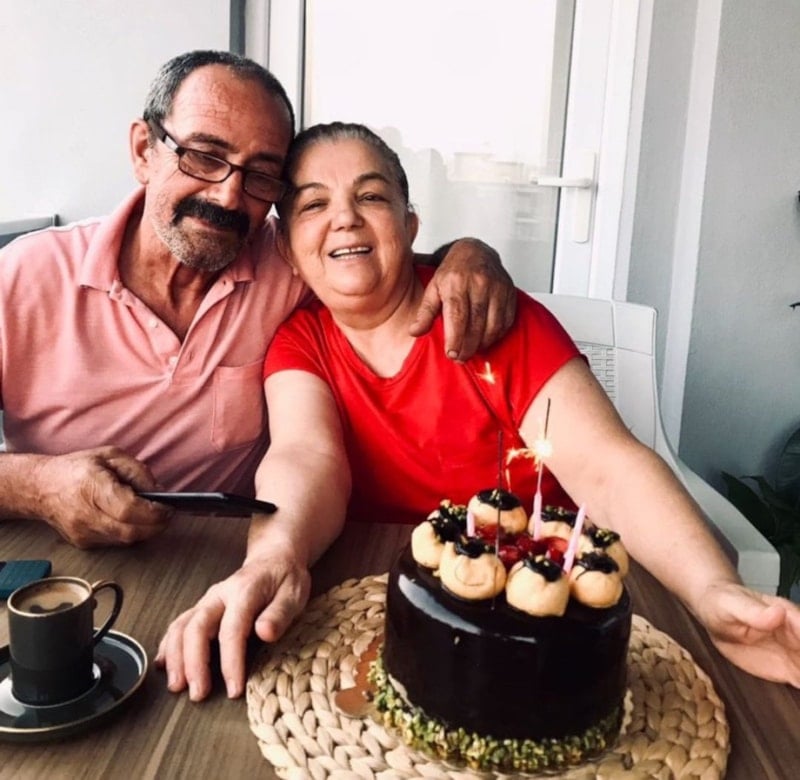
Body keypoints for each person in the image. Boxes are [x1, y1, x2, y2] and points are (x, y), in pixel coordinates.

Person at [158, 121, 800, 702]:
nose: (345, 218)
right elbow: (305, 456)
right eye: (313, 204)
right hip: (383, 616)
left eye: (371, 196)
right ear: (289, 248)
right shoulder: (300, 341)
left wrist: (715, 593)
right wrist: (274, 558)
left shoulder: (491, 316)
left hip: (546, 622)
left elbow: (607, 467)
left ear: (410, 226)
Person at [0, 51, 517, 550]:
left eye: (261, 174)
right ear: (143, 151)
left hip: (224, 555)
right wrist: (39, 485)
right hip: (52, 562)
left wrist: (471, 253)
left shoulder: (288, 261)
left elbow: (385, 257)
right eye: (204, 157)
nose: (228, 195)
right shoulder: (24, 276)